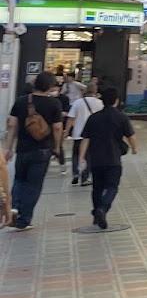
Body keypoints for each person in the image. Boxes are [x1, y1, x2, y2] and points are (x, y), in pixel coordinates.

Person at [5, 72, 64, 231]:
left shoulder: (21, 101)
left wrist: (8, 147)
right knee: (34, 184)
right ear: (50, 86)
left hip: (23, 148)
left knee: (19, 179)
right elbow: (57, 127)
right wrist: (57, 146)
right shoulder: (54, 104)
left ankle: (13, 209)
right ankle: (24, 219)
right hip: (43, 149)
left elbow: (11, 124)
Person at [79, 88, 137, 229]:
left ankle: (96, 213)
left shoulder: (93, 118)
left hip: (96, 158)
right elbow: (131, 135)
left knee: (97, 187)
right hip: (114, 159)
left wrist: (81, 157)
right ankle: (103, 209)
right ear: (116, 101)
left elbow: (85, 139)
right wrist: (135, 148)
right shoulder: (121, 117)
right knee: (112, 187)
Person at [65, 88, 103, 185]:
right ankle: (84, 178)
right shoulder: (100, 103)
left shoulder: (78, 102)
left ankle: (75, 174)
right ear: (95, 93)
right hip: (92, 134)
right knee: (87, 156)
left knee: (76, 154)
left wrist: (67, 132)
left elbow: (71, 118)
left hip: (78, 133)